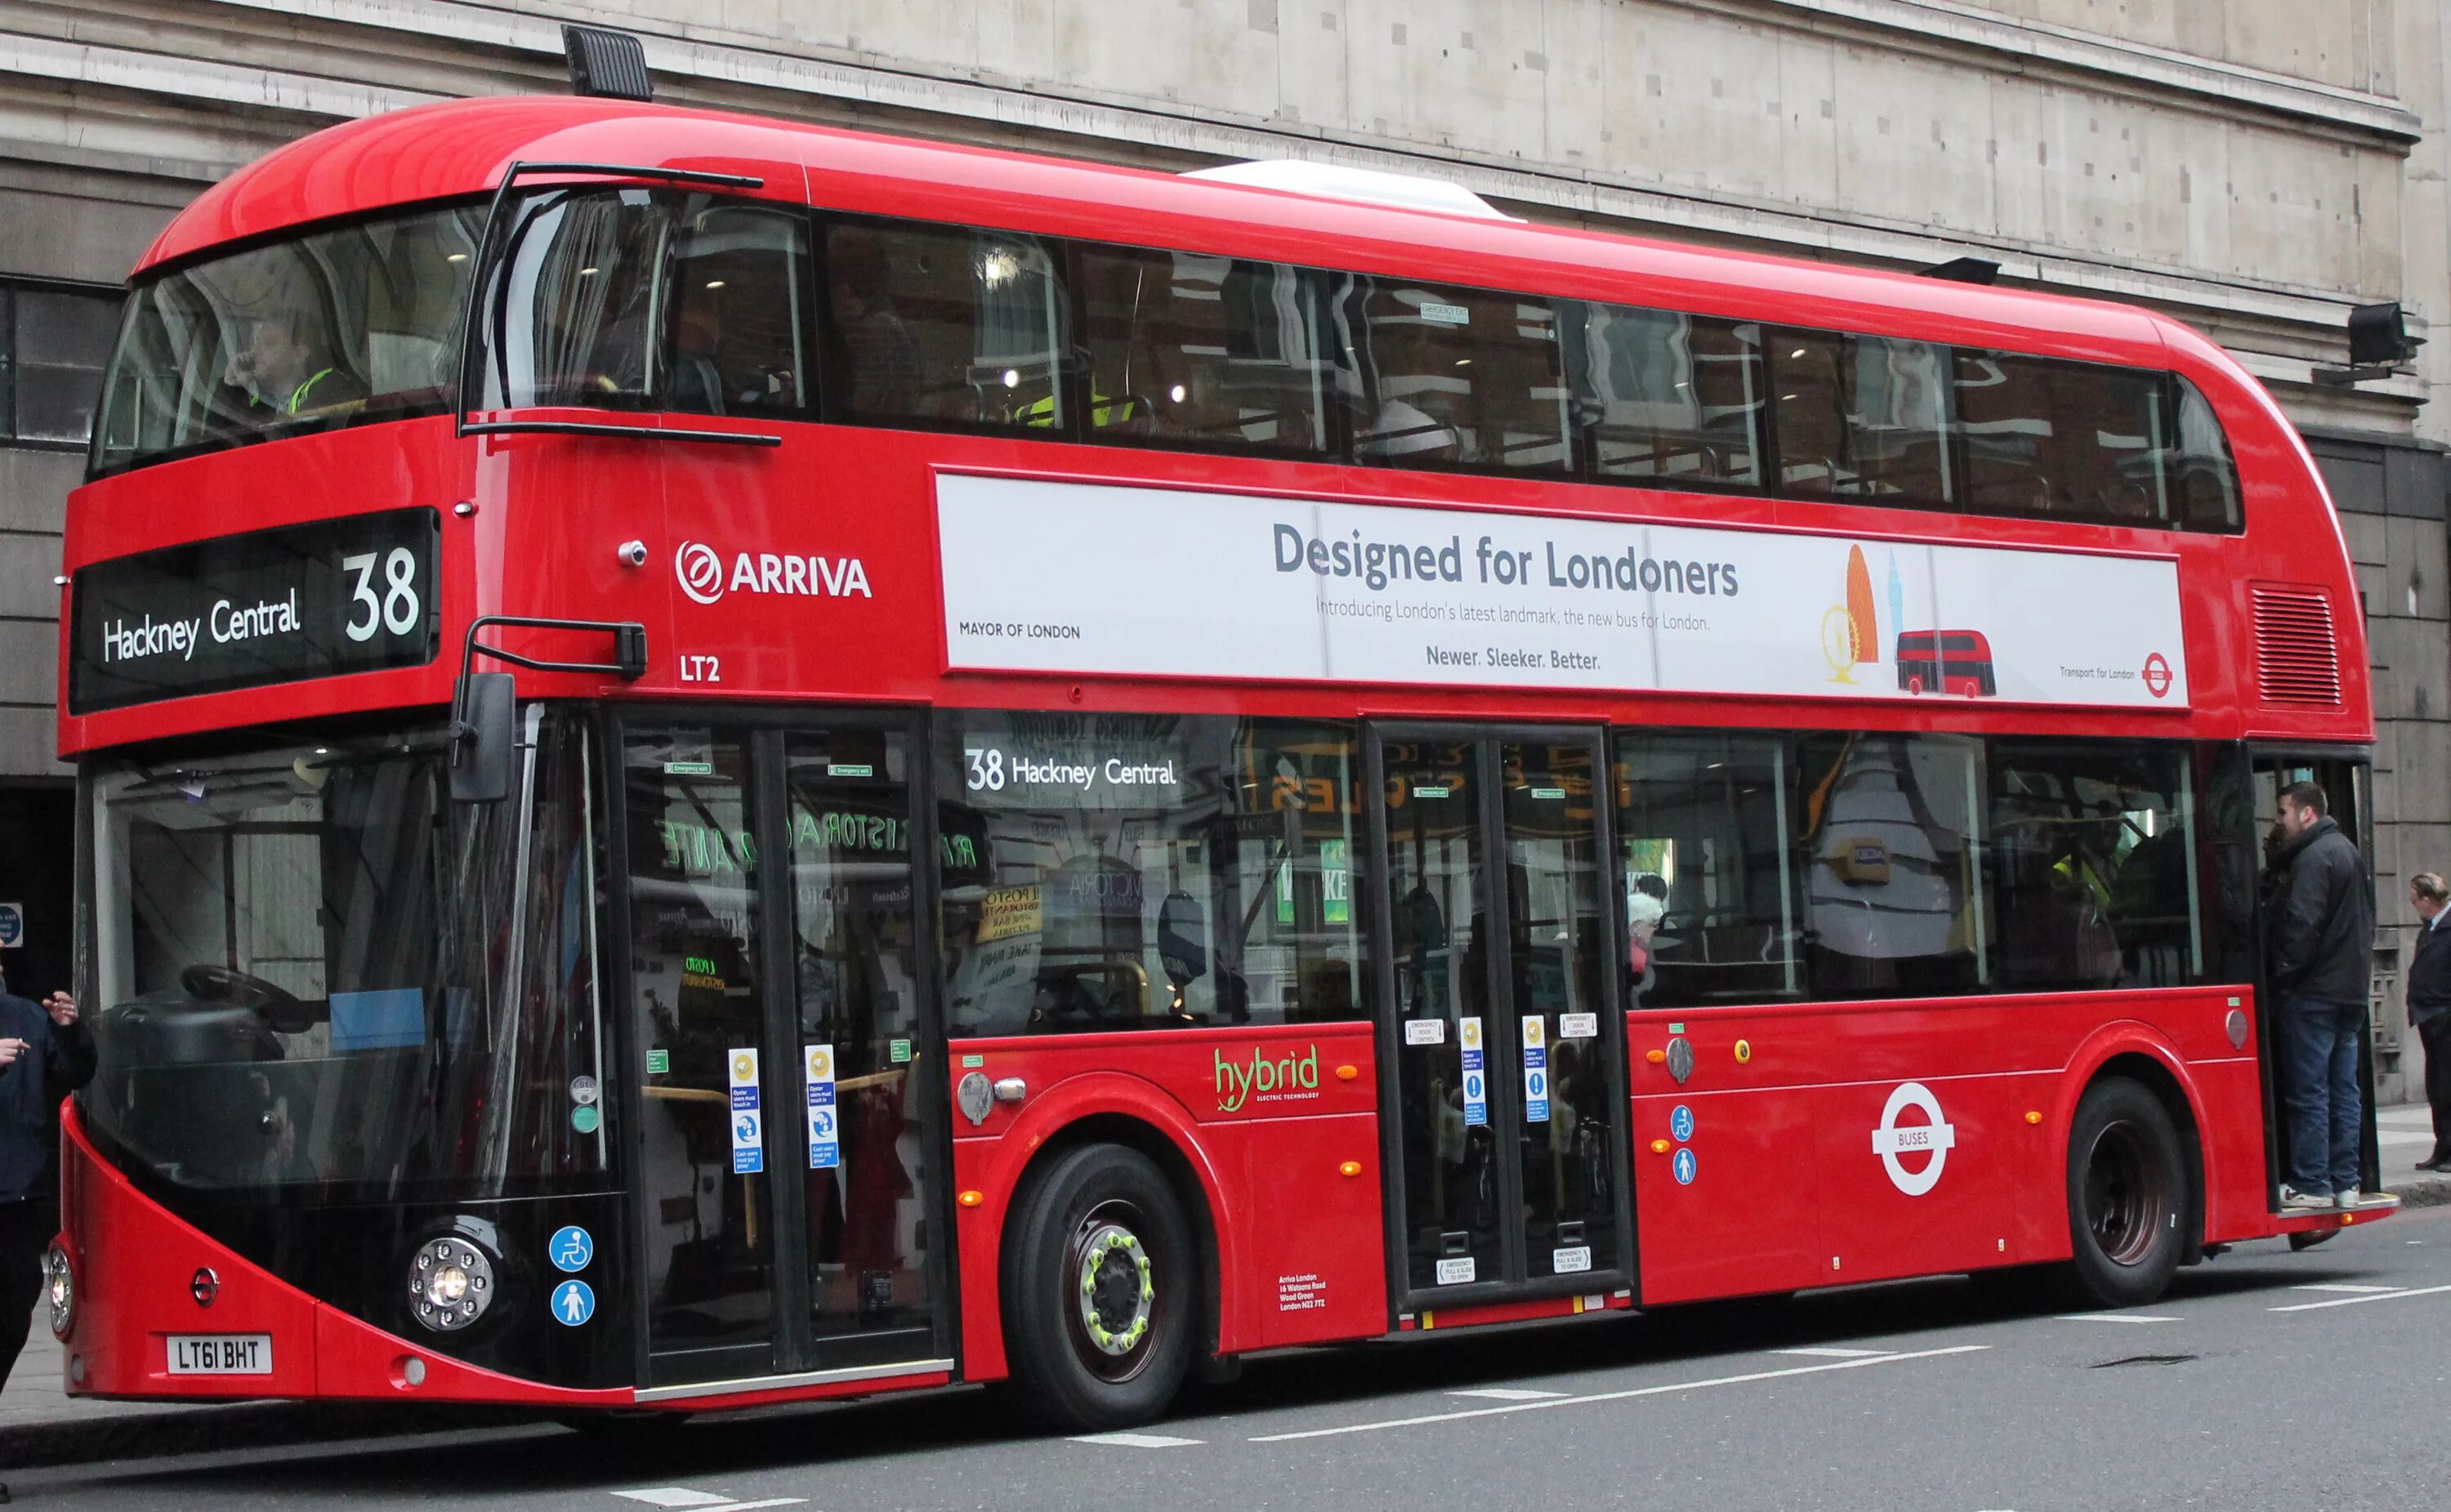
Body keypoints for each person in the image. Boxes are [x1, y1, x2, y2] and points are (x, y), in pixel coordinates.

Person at [0, 975, 91, 1505]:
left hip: (16, 1193)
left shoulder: (25, 1016)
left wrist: (71, 1030)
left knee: (13, 1310)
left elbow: (75, 1072)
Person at [2266, 781, 2377, 1211]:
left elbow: (2302, 927)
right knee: (2343, 1089)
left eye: (2283, 812)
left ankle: (2312, 1183)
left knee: (2309, 1091)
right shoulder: (2348, 852)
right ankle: (2345, 1181)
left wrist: (2284, 976)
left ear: (2306, 813)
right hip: (2349, 993)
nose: (2280, 821)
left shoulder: (2313, 859)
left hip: (2313, 993)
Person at [221, 312, 366, 418]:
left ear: (299, 355)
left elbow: (304, 433)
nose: (254, 352)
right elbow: (230, 438)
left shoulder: (331, 387)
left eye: (269, 343)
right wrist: (234, 386)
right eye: (255, 343)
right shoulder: (260, 397)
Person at [2404, 872, 2451, 1171]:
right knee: (2436, 1086)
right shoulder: (2430, 928)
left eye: (2415, 901)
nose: (2415, 907)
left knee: (2448, 1084)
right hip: (2428, 1014)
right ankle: (2442, 1146)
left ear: (2428, 900)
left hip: (2444, 1012)